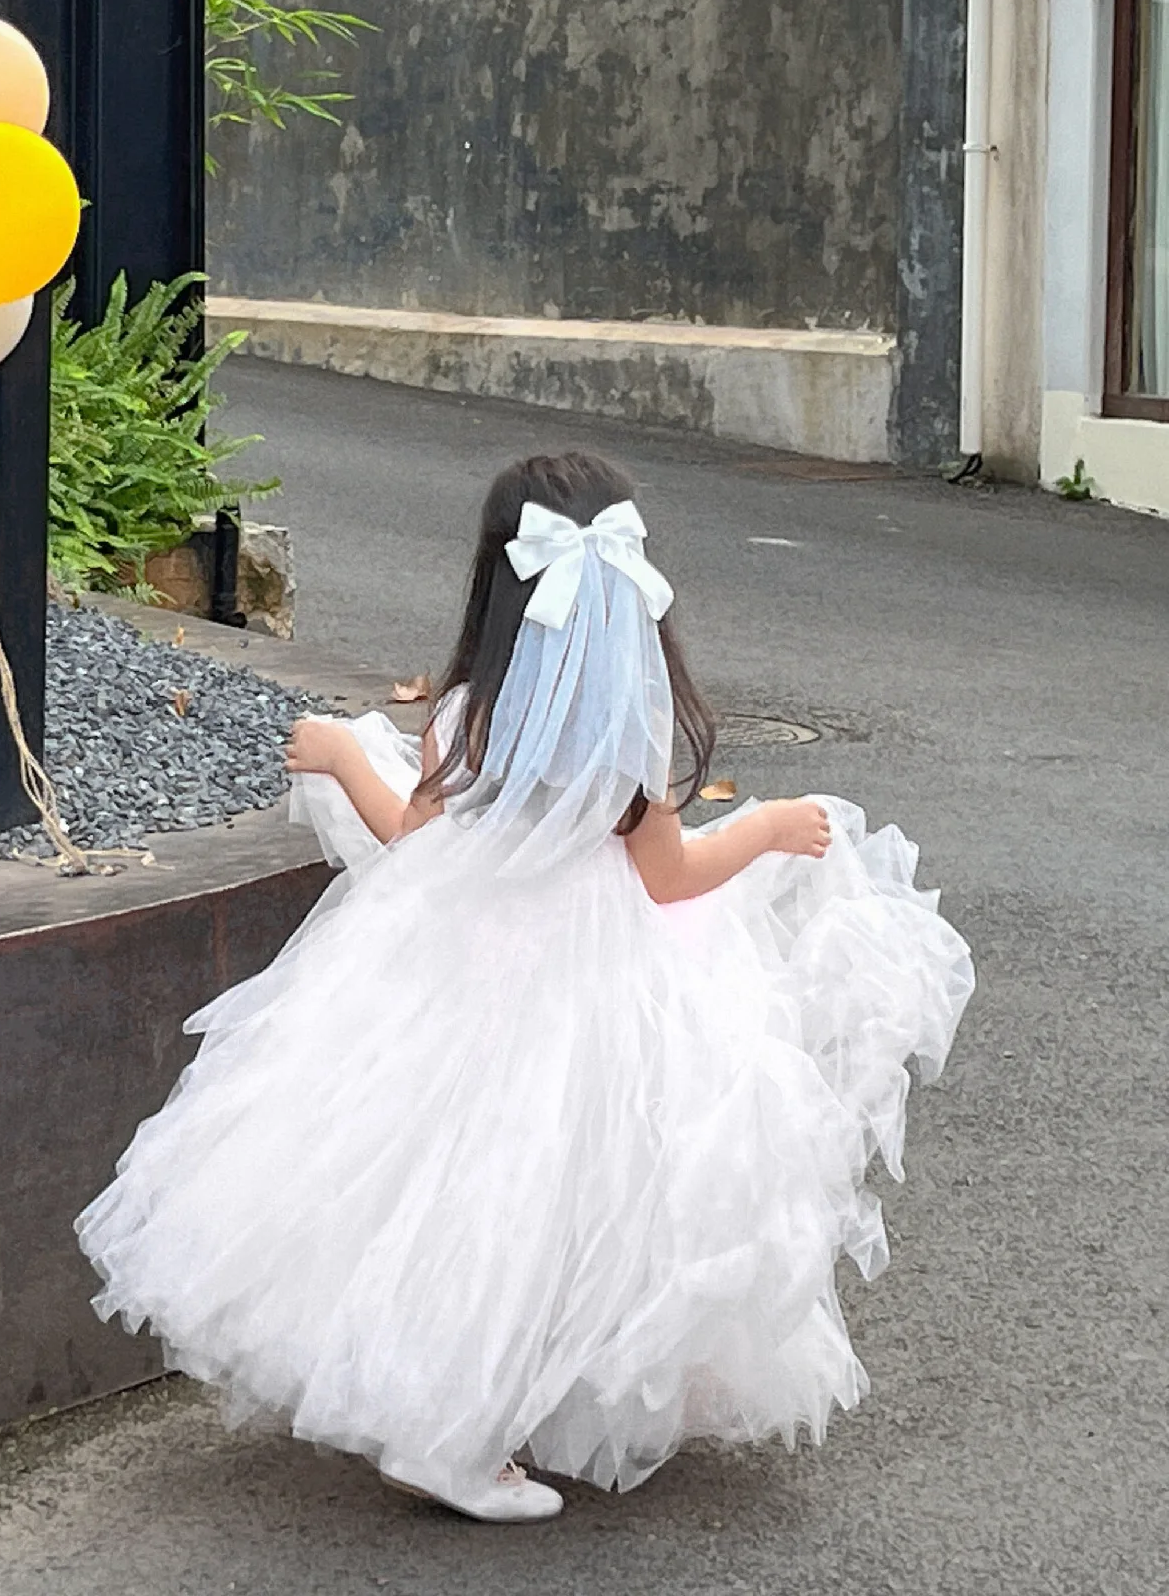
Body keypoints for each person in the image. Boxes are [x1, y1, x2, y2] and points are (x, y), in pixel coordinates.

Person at [77, 451, 974, 1524]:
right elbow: (671, 878)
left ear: (498, 590)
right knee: (570, 1204)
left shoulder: (468, 714)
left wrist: (345, 754)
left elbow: (411, 838)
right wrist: (767, 832)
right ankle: (458, 1437)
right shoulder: (627, 740)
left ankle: (451, 1407)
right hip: (601, 988)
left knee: (455, 1194)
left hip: (457, 976)